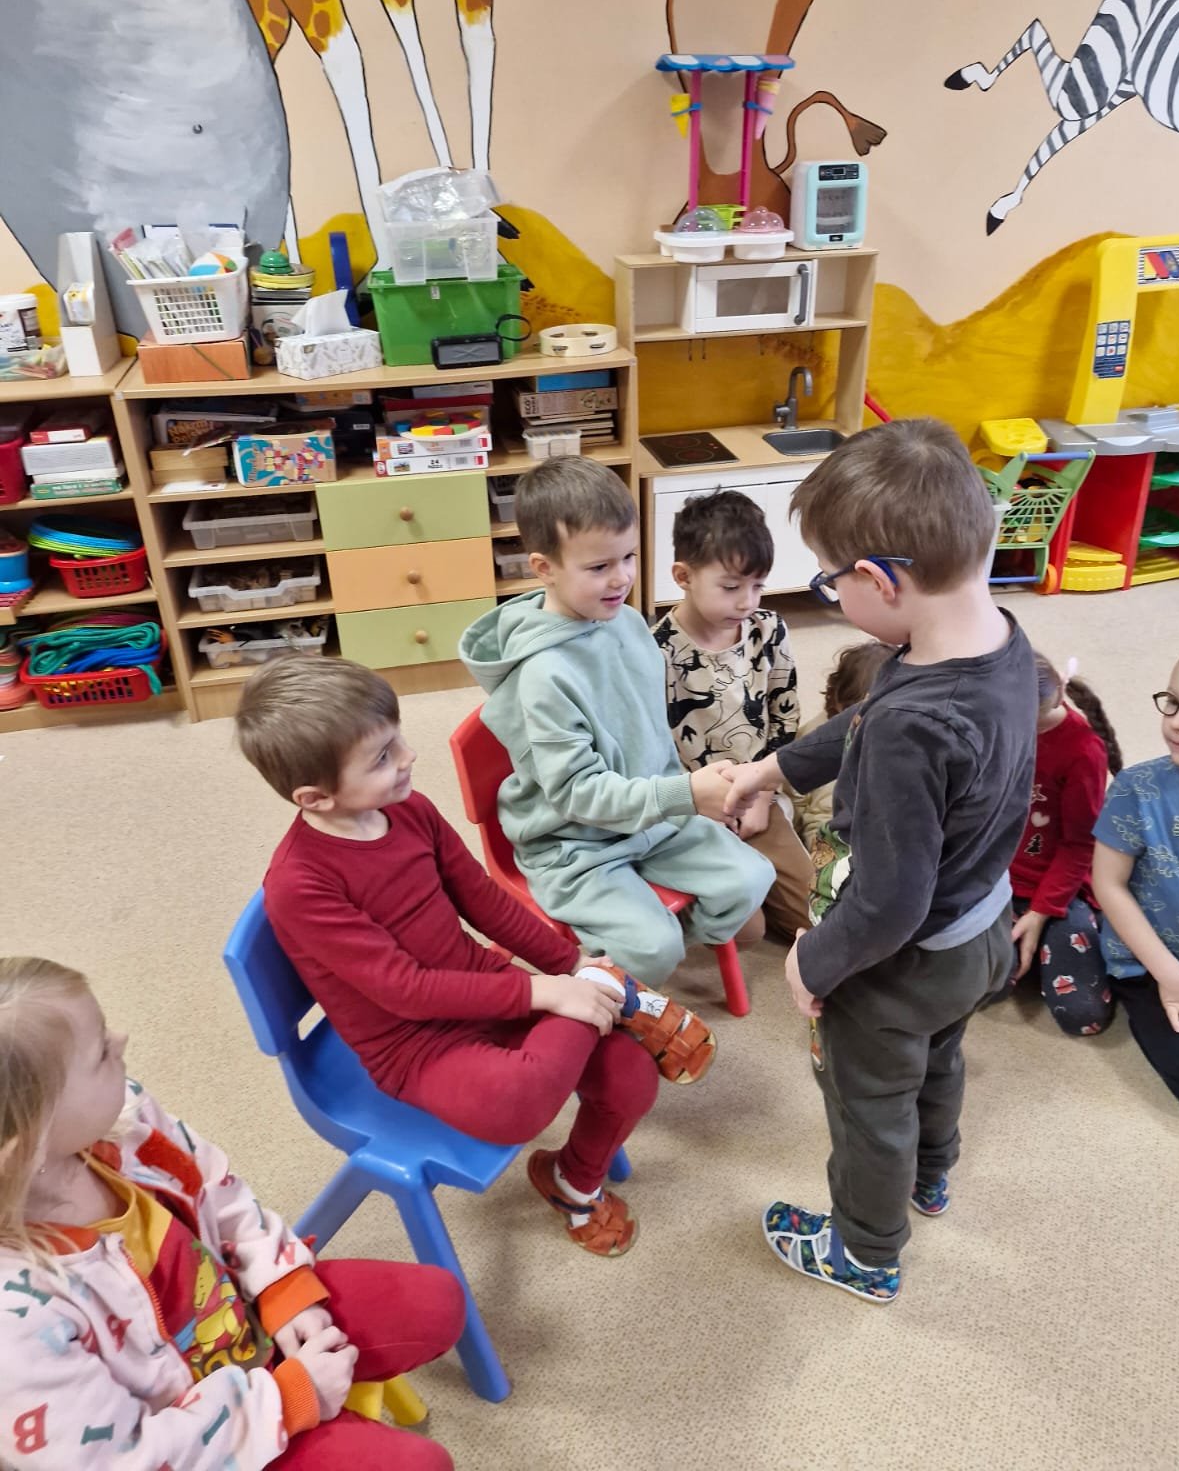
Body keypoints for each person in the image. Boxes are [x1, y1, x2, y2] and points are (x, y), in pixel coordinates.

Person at [237, 657, 718, 1262]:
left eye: (397, 738)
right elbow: (405, 990)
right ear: (316, 797)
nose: (408, 757)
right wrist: (551, 991)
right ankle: (613, 988)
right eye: (382, 757)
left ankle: (572, 1181)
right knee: (519, 1103)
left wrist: (567, 966)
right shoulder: (300, 884)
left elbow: (483, 900)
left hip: (480, 984)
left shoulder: (409, 809)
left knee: (630, 1073)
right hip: (412, 1045)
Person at [723, 417, 1035, 1303]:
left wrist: (812, 962)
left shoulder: (911, 727)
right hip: (981, 932)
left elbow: (891, 903)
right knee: (937, 1059)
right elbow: (860, 721)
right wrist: (771, 769)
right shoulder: (998, 641)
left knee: (868, 1100)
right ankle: (933, 1174)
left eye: (829, 580)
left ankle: (865, 1250)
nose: (828, 595)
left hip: (904, 960)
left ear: (879, 580)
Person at [0, 956, 466, 1471]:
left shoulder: (124, 1119)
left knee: (438, 1303)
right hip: (201, 1441)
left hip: (247, 1323)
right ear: (29, 1141)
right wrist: (289, 1400)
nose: (122, 1039)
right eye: (100, 1053)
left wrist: (282, 1287)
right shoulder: (15, 1326)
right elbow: (123, 1461)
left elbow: (218, 1191)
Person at [459, 457, 774, 987]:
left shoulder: (626, 622)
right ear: (544, 568)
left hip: (653, 820)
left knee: (752, 877)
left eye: (628, 556)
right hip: (575, 845)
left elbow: (650, 735)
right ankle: (616, 972)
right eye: (599, 566)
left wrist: (687, 792)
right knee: (654, 947)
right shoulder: (544, 676)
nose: (623, 577)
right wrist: (683, 793)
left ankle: (657, 938)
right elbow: (577, 796)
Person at [652, 488, 812, 945]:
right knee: (747, 932)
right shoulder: (655, 651)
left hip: (757, 795)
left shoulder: (769, 630)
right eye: (731, 587)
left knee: (817, 917)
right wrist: (700, 811)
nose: (747, 602)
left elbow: (784, 719)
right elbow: (652, 754)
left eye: (757, 586)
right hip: (692, 813)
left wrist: (763, 794)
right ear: (683, 576)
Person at [1092, 642, 1179, 1115]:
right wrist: (1173, 979)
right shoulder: (1137, 788)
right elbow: (1108, 885)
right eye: (1172, 702)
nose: (1176, 722)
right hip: (1154, 963)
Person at [1000, 652, 1121, 1035]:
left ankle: (1080, 935)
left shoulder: (1082, 751)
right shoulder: (994, 727)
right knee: (980, 989)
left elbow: (1079, 846)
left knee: (1083, 1016)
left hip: (1061, 892)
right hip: (996, 884)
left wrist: (1040, 912)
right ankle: (1034, 954)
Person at [790, 639, 891, 855]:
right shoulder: (815, 738)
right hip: (828, 835)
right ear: (836, 698)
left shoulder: (896, 733)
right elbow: (796, 795)